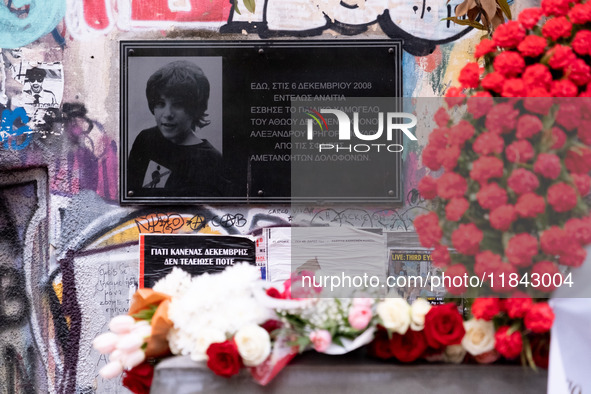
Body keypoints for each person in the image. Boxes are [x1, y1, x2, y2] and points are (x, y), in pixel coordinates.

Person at [127, 61, 228, 197]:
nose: (168, 114)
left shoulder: (210, 160)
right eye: (160, 104)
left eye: (178, 104)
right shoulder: (146, 139)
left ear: (195, 109)